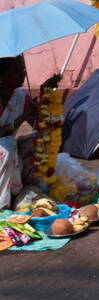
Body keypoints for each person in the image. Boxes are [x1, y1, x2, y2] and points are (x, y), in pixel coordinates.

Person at [0, 56, 34, 208]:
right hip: (5, 148)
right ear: (2, 77)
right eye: (15, 71)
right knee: (8, 143)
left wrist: (41, 110)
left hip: (8, 149)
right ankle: (3, 205)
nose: (22, 75)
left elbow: (36, 125)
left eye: (23, 70)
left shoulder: (21, 96)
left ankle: (18, 192)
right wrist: (21, 119)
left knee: (38, 141)